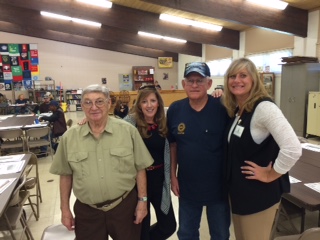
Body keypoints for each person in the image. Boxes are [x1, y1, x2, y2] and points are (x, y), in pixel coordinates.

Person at [49, 84, 154, 240]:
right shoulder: (69, 138)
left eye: (99, 101)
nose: (94, 107)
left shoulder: (128, 131)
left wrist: (142, 202)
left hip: (124, 208)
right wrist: (65, 209)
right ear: (82, 106)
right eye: (88, 102)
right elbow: (65, 175)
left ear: (109, 103)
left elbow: (140, 168)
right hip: (87, 212)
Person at [221, 58, 302, 240]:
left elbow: (293, 148)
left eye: (243, 75)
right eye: (232, 76)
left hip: (259, 197)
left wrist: (271, 174)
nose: (237, 80)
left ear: (254, 80)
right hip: (240, 195)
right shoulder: (238, 110)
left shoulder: (264, 108)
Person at [167, 62, 230, 240]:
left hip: (219, 187)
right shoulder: (175, 109)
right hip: (188, 186)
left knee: (220, 234)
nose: (195, 85)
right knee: (187, 233)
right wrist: (173, 176)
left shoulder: (223, 107)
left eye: (200, 81)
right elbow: (173, 145)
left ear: (209, 84)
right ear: (183, 83)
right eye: (190, 80)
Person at [124, 85, 176, 240]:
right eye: (144, 101)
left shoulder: (163, 123)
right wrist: (87, 121)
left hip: (160, 180)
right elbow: (110, 126)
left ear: (158, 103)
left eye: (153, 100)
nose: (149, 105)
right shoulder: (130, 124)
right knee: (142, 226)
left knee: (168, 226)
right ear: (139, 105)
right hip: (138, 182)